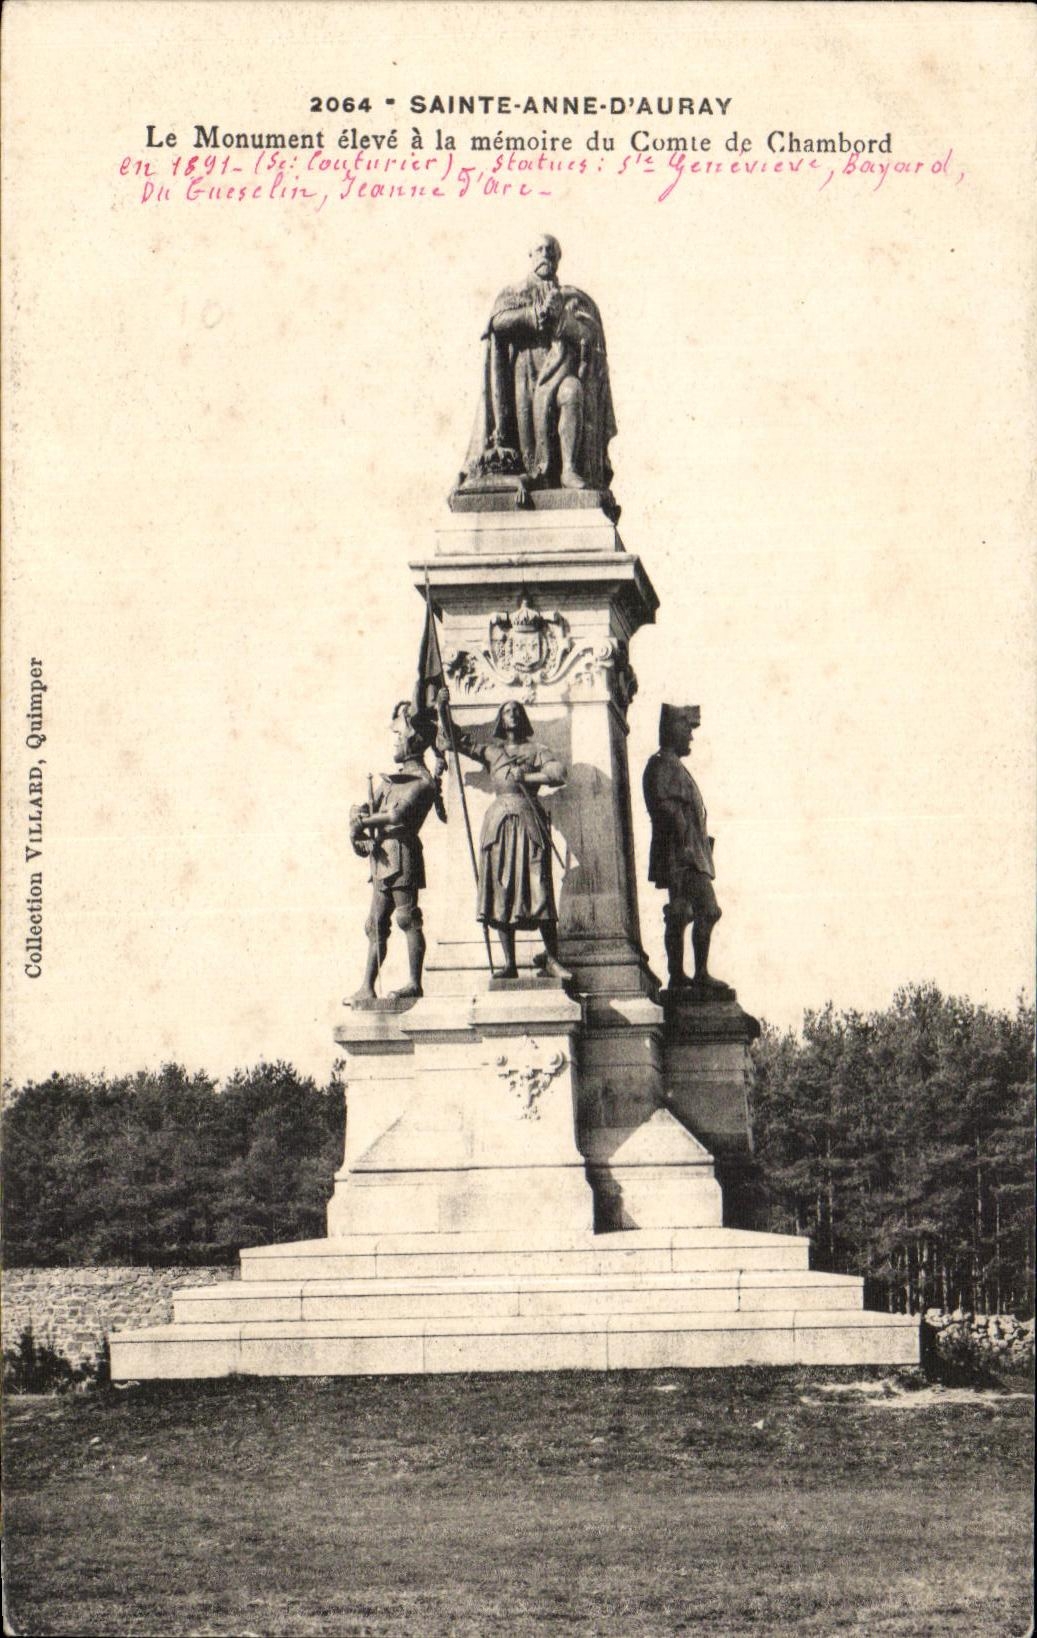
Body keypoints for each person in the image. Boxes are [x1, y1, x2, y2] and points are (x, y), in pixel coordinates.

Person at [461, 234, 617, 492]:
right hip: (527, 379)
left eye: (551, 251)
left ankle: (569, 470)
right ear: (531, 256)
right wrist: (534, 316)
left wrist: (563, 322)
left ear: (557, 259)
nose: (545, 254)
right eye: (540, 249)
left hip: (563, 370)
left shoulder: (572, 298)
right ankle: (539, 473)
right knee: (531, 446)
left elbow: (589, 335)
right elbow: (497, 323)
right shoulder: (514, 292)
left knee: (572, 391)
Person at [443, 695, 571, 981]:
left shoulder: (537, 750)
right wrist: (441, 708)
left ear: (522, 717)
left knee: (540, 887)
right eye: (506, 711)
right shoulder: (491, 752)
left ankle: (552, 958)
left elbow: (558, 773)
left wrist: (526, 778)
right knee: (501, 889)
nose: (511, 713)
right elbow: (456, 739)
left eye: (516, 710)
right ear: (501, 720)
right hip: (499, 822)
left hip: (529, 820)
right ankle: (510, 963)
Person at [349, 701, 444, 1003]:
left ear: (413, 741)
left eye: (399, 737)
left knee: (407, 918)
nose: (395, 742)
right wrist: (356, 818)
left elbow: (396, 816)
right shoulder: (391, 781)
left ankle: (414, 982)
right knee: (375, 923)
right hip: (382, 857)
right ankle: (366, 986)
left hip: (403, 853)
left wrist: (363, 821)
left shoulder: (422, 781)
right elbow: (370, 808)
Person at [643, 704, 728, 994]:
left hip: (690, 852)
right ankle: (689, 975)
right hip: (681, 854)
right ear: (673, 731)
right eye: (687, 730)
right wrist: (684, 846)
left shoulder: (673, 765)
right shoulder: (662, 764)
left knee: (689, 911)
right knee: (701, 910)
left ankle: (686, 974)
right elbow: (665, 808)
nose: (691, 737)